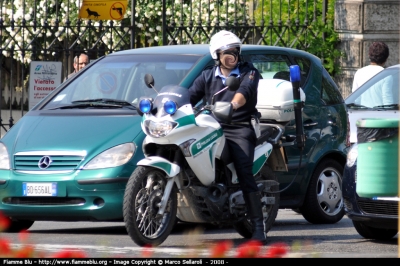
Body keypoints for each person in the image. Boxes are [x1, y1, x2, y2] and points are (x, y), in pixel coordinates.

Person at [188, 30, 265, 243]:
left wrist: (233, 104)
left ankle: (259, 227)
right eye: (227, 52)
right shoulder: (207, 76)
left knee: (244, 171)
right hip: (212, 126)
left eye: (235, 51)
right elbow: (189, 95)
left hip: (240, 127)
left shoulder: (248, 72)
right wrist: (167, 105)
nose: (232, 56)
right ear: (216, 55)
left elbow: (245, 92)